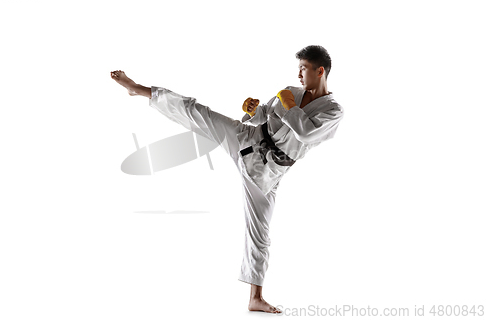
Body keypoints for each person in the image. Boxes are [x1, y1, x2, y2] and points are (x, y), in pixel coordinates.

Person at [110, 45, 344, 314]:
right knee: (197, 112)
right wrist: (254, 110)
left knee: (260, 233)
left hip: (267, 173)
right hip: (247, 139)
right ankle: (140, 90)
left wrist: (290, 108)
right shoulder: (290, 91)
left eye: (303, 68)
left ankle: (255, 297)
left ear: (320, 70)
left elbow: (304, 133)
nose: (299, 74)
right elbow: (265, 117)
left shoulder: (333, 112)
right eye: (299, 68)